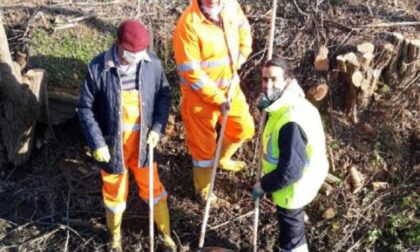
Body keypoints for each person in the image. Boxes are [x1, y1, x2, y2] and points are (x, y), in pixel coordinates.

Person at [77, 20, 176, 251]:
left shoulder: (152, 64)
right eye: (132, 53)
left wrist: (157, 128)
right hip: (113, 148)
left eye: (141, 53)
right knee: (114, 194)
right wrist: (97, 142)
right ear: (118, 44)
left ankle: (165, 235)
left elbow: (164, 96)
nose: (137, 58)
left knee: (154, 188)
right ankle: (115, 239)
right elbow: (85, 108)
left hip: (144, 145)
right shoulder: (98, 68)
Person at [173, 0, 255, 206]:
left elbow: (243, 29)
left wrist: (242, 57)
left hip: (231, 90)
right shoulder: (189, 24)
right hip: (199, 99)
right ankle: (204, 190)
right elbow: (191, 73)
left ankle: (222, 159)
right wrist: (217, 99)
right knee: (203, 151)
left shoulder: (231, 6)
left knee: (244, 129)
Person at [252, 58, 329, 251]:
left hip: (294, 187)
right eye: (264, 79)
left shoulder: (291, 121)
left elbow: (290, 172)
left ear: (287, 80)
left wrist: (264, 185)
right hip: (306, 175)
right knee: (292, 223)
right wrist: (267, 108)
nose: (267, 85)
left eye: (273, 79)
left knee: (291, 236)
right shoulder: (291, 102)